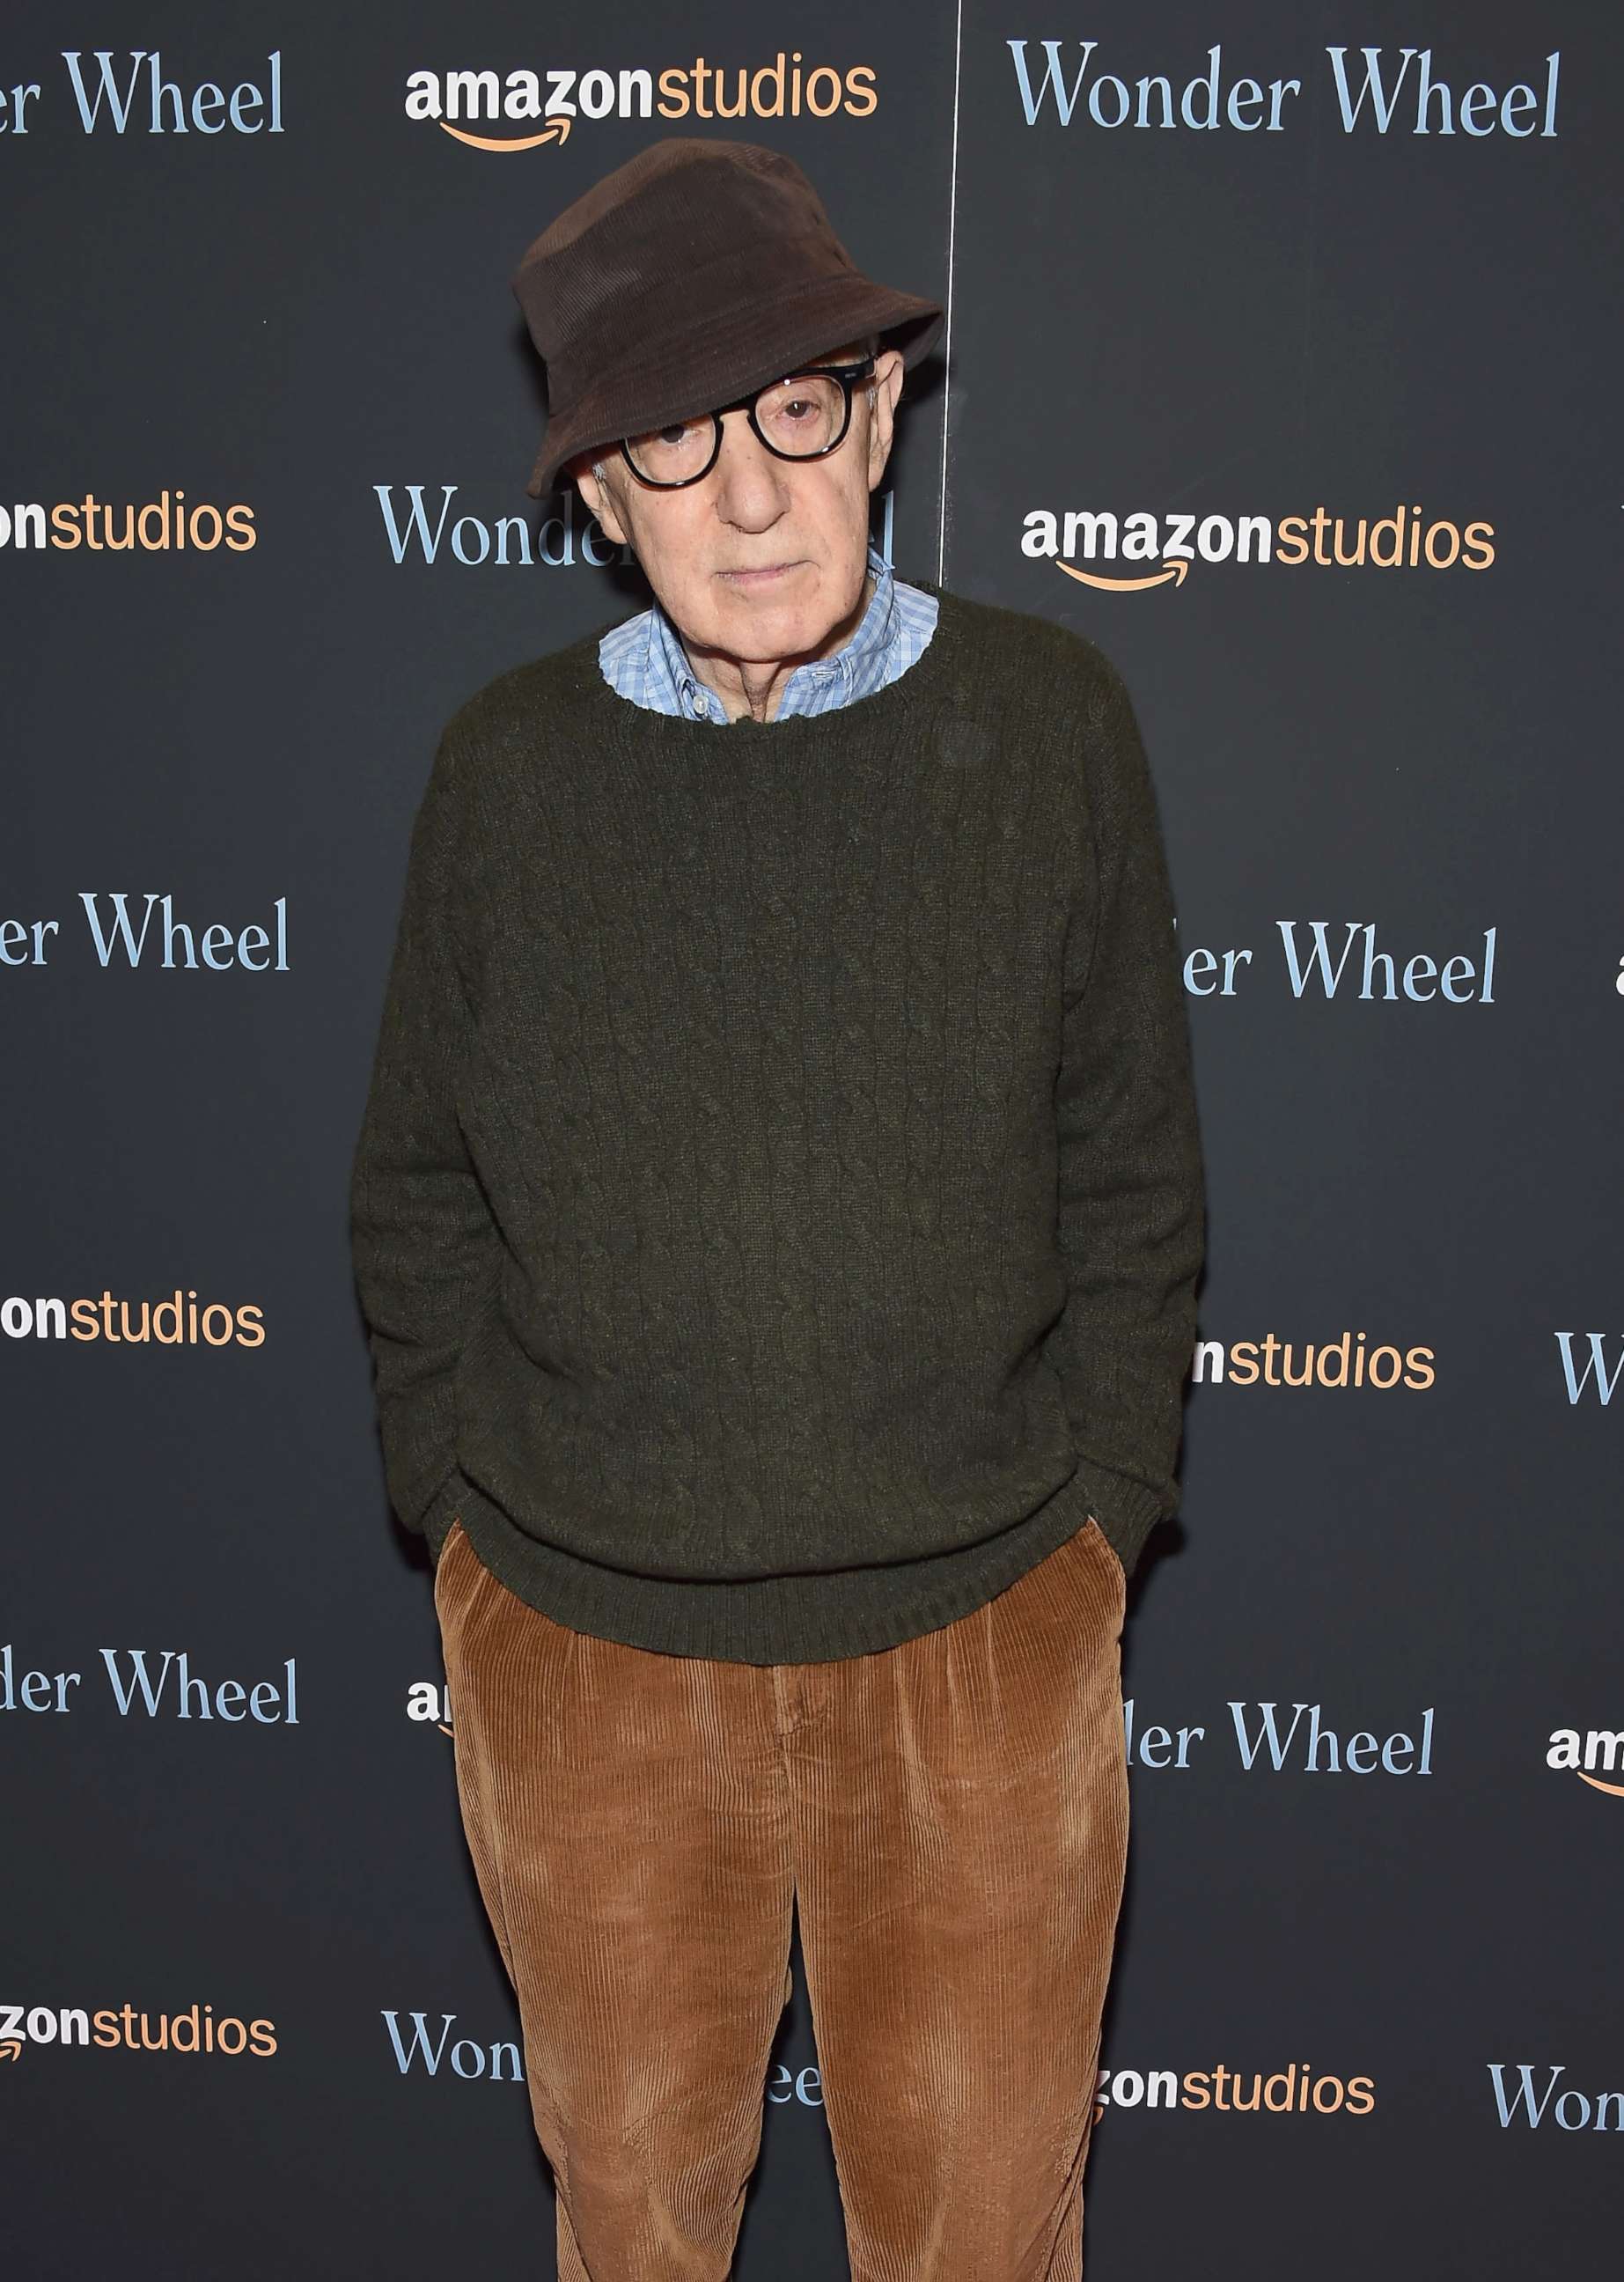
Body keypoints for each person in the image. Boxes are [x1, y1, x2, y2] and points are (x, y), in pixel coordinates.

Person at [349, 136, 1205, 2282]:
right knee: (633, 2233)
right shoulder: (500, 775)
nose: (745, 494)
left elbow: (1131, 1171)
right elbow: (415, 1186)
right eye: (670, 440)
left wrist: (1093, 1531)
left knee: (985, 2245)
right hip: (591, 1664)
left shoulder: (1051, 727)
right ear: (592, 495)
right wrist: (468, 1551)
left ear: (883, 410)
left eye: (793, 414)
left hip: (987, 1643)